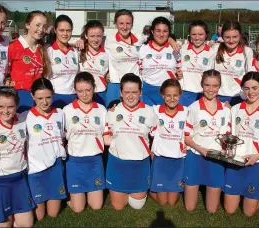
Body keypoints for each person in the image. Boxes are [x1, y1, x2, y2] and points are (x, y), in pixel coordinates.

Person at [103, 73, 157, 210]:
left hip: (140, 164)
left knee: (137, 205)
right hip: (118, 163)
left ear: (140, 92)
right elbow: (106, 137)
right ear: (121, 92)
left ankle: (143, 189)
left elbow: (156, 137)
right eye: (127, 92)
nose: (130, 96)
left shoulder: (150, 111)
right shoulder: (112, 111)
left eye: (134, 92)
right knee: (118, 206)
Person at [224, 72, 259, 216]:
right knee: (229, 209)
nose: (250, 92)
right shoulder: (235, 109)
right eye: (246, 88)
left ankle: (258, 197)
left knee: (248, 212)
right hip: (235, 161)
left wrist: (258, 156)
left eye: (255, 88)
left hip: (256, 162)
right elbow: (229, 136)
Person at [0, 86, 35, 227]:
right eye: (1, 106)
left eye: (10, 107)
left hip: (20, 179)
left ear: (17, 105)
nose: (5, 111)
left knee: (27, 225)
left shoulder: (23, 119)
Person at [183, 69, 231, 213]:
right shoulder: (193, 108)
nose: (211, 89)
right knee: (190, 207)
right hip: (196, 155)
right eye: (207, 85)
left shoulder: (226, 109)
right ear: (202, 85)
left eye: (215, 86)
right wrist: (201, 149)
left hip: (216, 157)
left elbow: (227, 136)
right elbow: (186, 137)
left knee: (212, 210)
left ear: (220, 86)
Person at [23, 77, 67, 221]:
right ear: (32, 96)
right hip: (36, 170)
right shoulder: (24, 118)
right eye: (40, 98)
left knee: (53, 214)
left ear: (53, 94)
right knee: (40, 217)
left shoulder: (60, 113)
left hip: (56, 167)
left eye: (48, 97)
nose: (45, 102)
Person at [63, 72, 107, 212]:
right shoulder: (67, 111)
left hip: (95, 162)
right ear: (75, 90)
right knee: (78, 209)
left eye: (88, 90)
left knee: (96, 206)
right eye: (80, 91)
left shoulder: (101, 110)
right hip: (75, 163)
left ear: (93, 88)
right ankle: (73, 198)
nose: (84, 94)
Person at [149, 79, 189, 206]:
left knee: (171, 202)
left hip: (178, 158)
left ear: (180, 95)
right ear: (162, 95)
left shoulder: (187, 111)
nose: (172, 99)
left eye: (175, 95)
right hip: (160, 158)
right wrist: (115, 107)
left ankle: (171, 189)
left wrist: (226, 106)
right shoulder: (154, 110)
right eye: (168, 95)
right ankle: (148, 189)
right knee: (163, 202)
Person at [8, 10, 51, 114]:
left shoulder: (44, 48)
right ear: (27, 25)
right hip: (21, 97)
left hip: (40, 98)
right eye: (37, 25)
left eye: (44, 26)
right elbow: (4, 73)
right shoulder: (13, 47)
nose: (41, 29)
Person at [139, 16, 181, 106]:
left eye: (165, 31)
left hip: (170, 93)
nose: (161, 34)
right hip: (148, 92)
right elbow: (138, 69)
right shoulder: (143, 48)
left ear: (169, 32)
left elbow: (180, 68)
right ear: (152, 31)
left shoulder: (174, 48)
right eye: (158, 31)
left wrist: (178, 73)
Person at [213, 20, 254, 105]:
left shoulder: (247, 51)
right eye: (227, 37)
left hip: (239, 97)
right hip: (217, 96)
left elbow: (249, 76)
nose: (231, 41)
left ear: (240, 35)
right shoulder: (215, 49)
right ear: (222, 36)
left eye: (235, 37)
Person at [179, 20, 216, 106]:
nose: (197, 37)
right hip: (184, 93)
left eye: (200, 34)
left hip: (203, 94)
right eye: (194, 34)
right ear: (189, 35)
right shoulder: (183, 49)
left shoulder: (212, 53)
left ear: (206, 34)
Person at [47, 14, 80, 109]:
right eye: (61, 30)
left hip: (73, 97)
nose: (65, 34)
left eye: (68, 30)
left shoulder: (75, 51)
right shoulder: (48, 50)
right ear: (55, 30)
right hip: (55, 97)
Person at [79, 20, 109, 106]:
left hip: (100, 93)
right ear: (86, 36)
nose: (96, 40)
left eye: (99, 36)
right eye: (92, 36)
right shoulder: (78, 51)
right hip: (83, 94)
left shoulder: (107, 53)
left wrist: (108, 74)